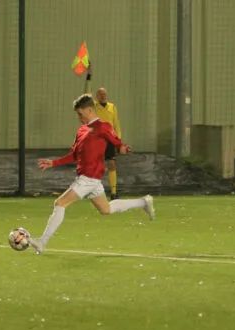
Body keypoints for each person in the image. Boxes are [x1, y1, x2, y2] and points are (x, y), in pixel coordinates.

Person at [28, 93, 154, 255]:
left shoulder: (103, 127)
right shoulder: (81, 130)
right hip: (91, 179)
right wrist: (54, 162)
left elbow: (117, 143)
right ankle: (143, 202)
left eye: (80, 114)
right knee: (106, 209)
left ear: (89, 110)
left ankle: (42, 242)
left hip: (88, 178)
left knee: (60, 204)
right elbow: (74, 154)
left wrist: (122, 148)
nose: (78, 117)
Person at [84, 65, 122, 199]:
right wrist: (88, 76)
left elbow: (116, 124)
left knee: (111, 164)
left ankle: (113, 192)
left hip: (109, 139)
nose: (103, 96)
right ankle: (91, 191)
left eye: (105, 94)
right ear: (97, 96)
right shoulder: (93, 105)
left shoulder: (112, 107)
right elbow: (86, 94)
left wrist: (119, 142)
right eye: (101, 94)